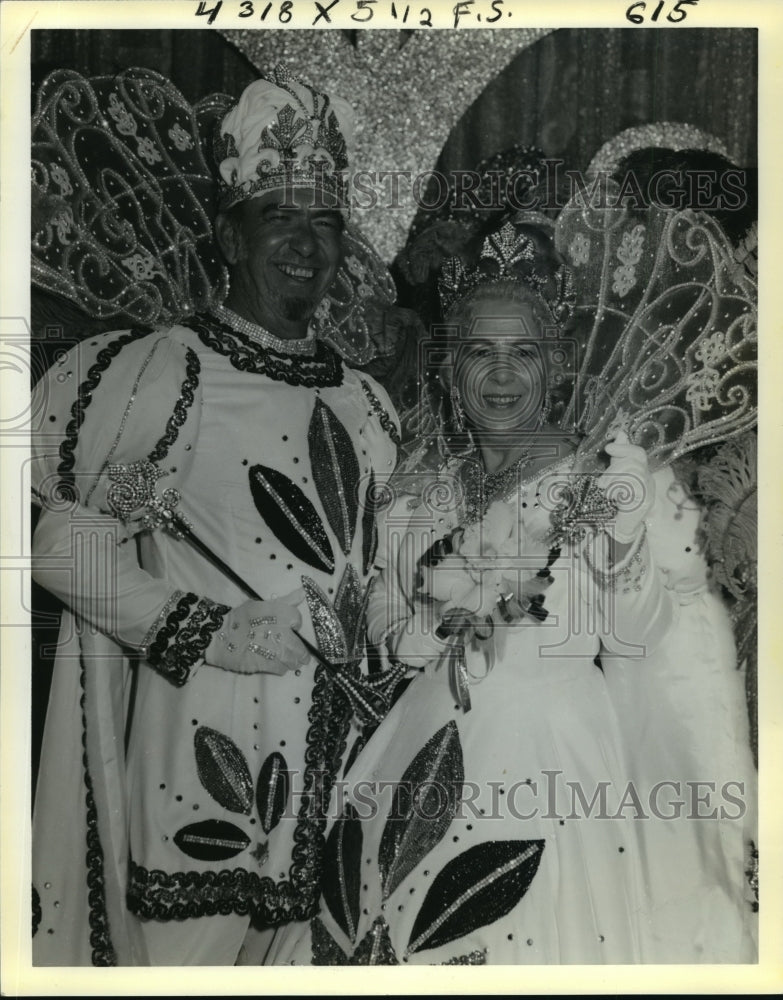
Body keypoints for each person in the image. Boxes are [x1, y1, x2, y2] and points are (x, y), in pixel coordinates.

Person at [30, 68, 400, 966]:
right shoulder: (167, 372)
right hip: (210, 754)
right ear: (230, 234)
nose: (307, 246)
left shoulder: (367, 401)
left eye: (324, 222)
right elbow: (56, 537)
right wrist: (204, 628)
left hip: (343, 757)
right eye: (282, 218)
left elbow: (377, 561)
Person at [267, 214, 681, 965]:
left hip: (555, 755)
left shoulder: (604, 476)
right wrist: (423, 626)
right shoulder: (416, 491)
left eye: (522, 352)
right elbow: (383, 616)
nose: (499, 374)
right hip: (424, 743)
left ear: (554, 365)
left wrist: (623, 551)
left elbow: (644, 636)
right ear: (449, 368)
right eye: (479, 353)